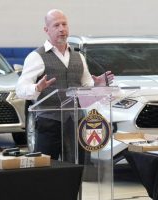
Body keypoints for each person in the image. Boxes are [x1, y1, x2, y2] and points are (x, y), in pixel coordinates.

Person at [15, 9, 114, 161]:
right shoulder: (36, 57)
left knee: (76, 168)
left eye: (64, 24)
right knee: (47, 170)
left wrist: (97, 85)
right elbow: (20, 89)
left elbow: (85, 86)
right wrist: (37, 88)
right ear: (46, 30)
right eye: (56, 25)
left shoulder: (78, 56)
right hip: (49, 123)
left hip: (76, 123)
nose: (62, 29)